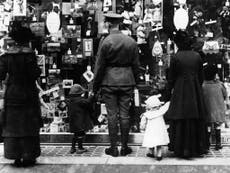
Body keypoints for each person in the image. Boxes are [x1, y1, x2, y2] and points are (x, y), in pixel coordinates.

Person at [93, 12, 140, 157]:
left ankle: (113, 148)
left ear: (108, 24)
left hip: (109, 82)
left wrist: (95, 85)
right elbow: (136, 65)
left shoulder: (105, 41)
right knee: (125, 115)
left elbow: (99, 66)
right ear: (120, 23)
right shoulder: (130, 41)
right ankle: (125, 147)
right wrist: (136, 82)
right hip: (127, 81)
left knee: (112, 115)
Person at [0, 21, 42, 167]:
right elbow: (34, 73)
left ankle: (15, 155)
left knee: (13, 125)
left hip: (12, 93)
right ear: (27, 40)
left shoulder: (6, 55)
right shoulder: (29, 55)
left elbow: (0, 73)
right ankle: (28, 155)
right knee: (28, 125)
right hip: (27, 93)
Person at [165, 30, 209, 158]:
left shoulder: (176, 57)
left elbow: (171, 78)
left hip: (180, 90)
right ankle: (196, 147)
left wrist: (169, 91)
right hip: (194, 91)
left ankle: (180, 148)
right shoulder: (197, 56)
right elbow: (201, 77)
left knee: (181, 118)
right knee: (194, 118)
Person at [202, 64, 227, 150]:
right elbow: (225, 95)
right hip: (218, 110)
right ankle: (218, 144)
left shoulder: (203, 85)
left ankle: (207, 144)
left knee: (208, 126)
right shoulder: (220, 84)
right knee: (217, 126)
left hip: (207, 110)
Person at [140, 95, 170, 161]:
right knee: (159, 144)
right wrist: (169, 101)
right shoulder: (160, 112)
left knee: (151, 143)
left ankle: (151, 153)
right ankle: (159, 155)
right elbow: (166, 106)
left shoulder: (147, 114)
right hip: (159, 132)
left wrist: (142, 127)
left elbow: (143, 122)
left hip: (151, 132)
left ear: (149, 106)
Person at [67, 84, 94, 154]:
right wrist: (91, 96)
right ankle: (80, 148)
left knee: (75, 135)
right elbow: (87, 102)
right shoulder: (80, 100)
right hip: (80, 122)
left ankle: (72, 148)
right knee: (81, 135)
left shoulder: (70, 100)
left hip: (73, 122)